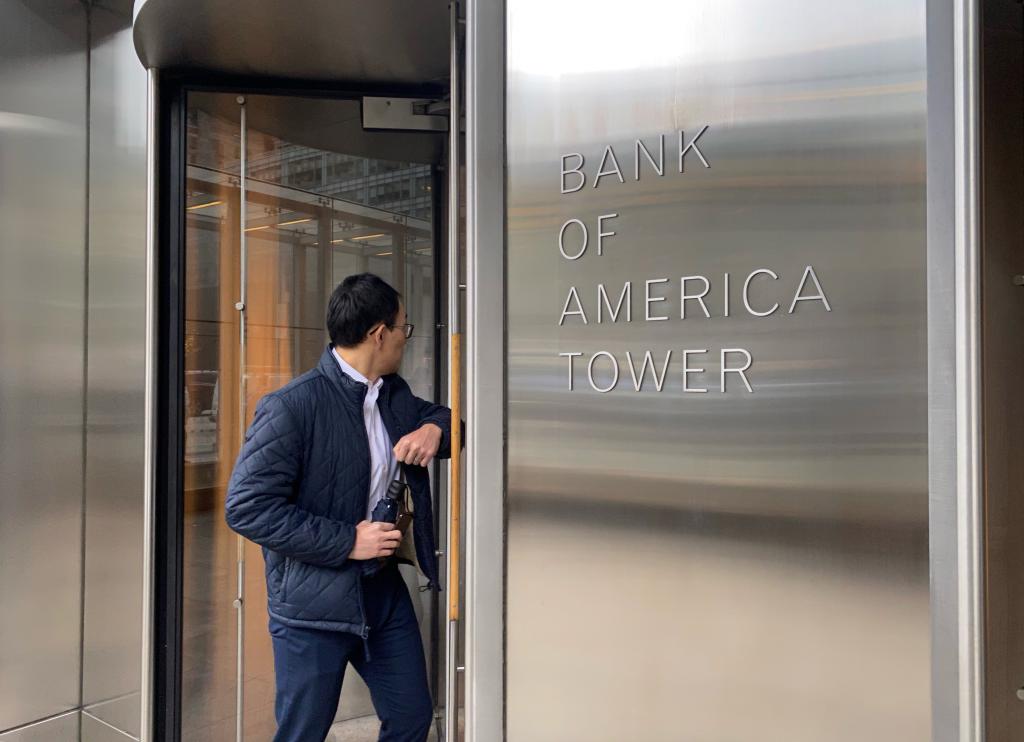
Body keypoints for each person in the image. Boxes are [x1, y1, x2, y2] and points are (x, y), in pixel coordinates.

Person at [226, 273, 452, 742]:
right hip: (312, 606)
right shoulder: (292, 406)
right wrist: (349, 541)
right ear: (379, 334)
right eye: (404, 328)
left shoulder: (393, 394)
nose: (406, 339)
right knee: (302, 733)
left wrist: (435, 430)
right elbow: (246, 507)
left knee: (412, 718)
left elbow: (444, 420)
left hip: (381, 593)